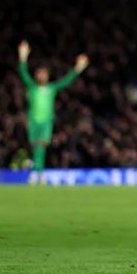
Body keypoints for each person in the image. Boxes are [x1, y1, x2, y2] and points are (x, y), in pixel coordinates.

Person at [17, 41, 89, 180]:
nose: (42, 76)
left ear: (48, 76)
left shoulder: (51, 88)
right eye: (40, 73)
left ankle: (37, 172)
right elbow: (23, 73)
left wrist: (77, 68)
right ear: (37, 76)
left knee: (41, 145)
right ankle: (37, 171)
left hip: (47, 121)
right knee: (35, 146)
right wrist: (23, 57)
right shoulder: (32, 87)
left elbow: (66, 81)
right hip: (33, 119)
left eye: (44, 74)